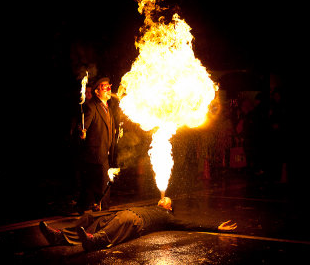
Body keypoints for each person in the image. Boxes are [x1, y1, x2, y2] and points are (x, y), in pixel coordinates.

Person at [39, 197, 237, 251]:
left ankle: (94, 241)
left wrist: (215, 226)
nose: (163, 200)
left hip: (134, 221)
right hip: (121, 213)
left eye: (166, 200)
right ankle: (58, 236)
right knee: (90, 217)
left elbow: (189, 224)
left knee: (118, 223)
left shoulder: (168, 217)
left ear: (169, 208)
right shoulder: (153, 205)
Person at [77, 77, 117, 213]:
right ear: (97, 91)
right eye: (104, 87)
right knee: (101, 184)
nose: (108, 90)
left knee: (92, 185)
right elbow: (83, 127)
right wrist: (82, 133)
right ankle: (102, 213)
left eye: (109, 87)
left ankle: (85, 208)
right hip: (95, 155)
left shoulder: (108, 109)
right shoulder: (91, 106)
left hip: (105, 153)